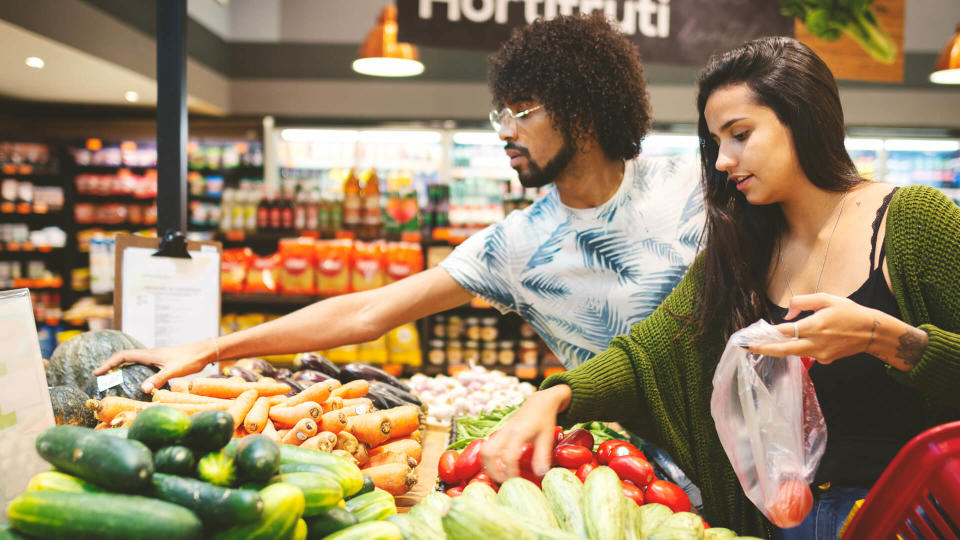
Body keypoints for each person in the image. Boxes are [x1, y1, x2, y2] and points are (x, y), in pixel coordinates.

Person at [480, 36, 960, 539]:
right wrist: (554, 396)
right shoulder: (740, 253)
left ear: (803, 118)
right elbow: (647, 356)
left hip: (914, 516)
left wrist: (885, 340)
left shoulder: (912, 223)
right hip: (784, 524)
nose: (724, 161)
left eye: (740, 134)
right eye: (715, 143)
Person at [94, 13, 704, 393]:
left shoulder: (694, 185)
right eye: (501, 112)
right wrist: (213, 347)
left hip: (754, 453)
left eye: (521, 112)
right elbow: (367, 313)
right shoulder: (516, 246)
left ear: (584, 113)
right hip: (630, 475)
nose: (503, 131)